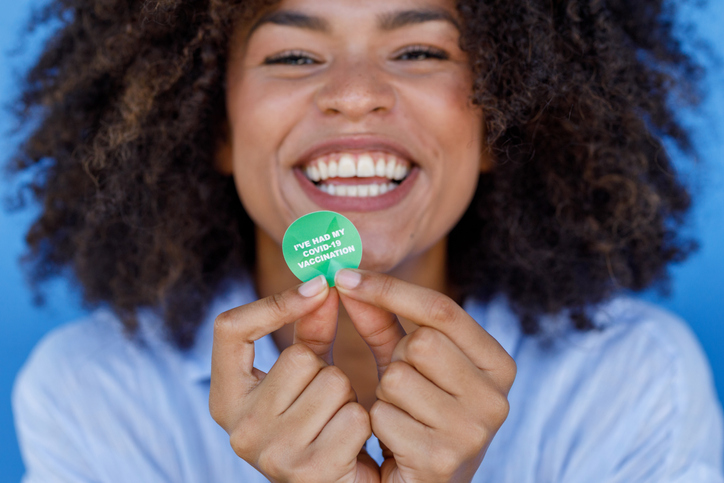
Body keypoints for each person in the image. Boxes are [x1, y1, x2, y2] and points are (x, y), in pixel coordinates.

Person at [10, 0, 724, 481]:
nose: (354, 93)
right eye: (292, 56)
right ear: (217, 129)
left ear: (497, 126)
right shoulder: (90, 390)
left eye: (417, 51)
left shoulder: (637, 379)